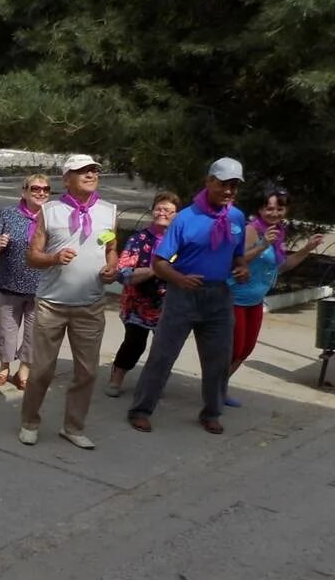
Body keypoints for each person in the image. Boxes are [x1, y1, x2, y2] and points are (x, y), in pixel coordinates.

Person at [127, 158, 252, 435]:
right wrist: (180, 279)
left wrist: (241, 267)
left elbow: (237, 256)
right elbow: (160, 263)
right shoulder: (185, 218)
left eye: (234, 186)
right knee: (162, 356)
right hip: (183, 295)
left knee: (219, 360)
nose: (229, 191)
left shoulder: (237, 218)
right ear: (209, 182)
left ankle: (212, 412)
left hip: (219, 298)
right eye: (223, 184)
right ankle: (141, 409)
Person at [17, 154, 118, 450]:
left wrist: (111, 267)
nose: (90, 175)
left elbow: (111, 248)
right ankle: (29, 422)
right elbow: (32, 256)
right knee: (42, 370)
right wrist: (53, 258)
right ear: (67, 179)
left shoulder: (108, 211)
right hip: (52, 303)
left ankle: (73, 427)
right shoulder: (50, 211)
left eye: (93, 171)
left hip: (91, 304)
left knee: (87, 371)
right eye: (82, 171)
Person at [223, 186, 323, 406]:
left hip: (256, 301)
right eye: (269, 208)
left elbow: (283, 266)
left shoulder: (278, 233)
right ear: (260, 209)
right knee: (235, 349)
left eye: (280, 209)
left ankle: (219, 388)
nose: (274, 213)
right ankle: (213, 390)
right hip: (235, 299)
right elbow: (234, 261)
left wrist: (307, 248)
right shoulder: (251, 230)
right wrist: (263, 245)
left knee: (246, 350)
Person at [105, 192, 180, 397]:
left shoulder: (181, 240)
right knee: (135, 344)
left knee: (164, 349)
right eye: (159, 208)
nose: (162, 213)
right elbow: (123, 274)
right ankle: (117, 377)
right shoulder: (139, 239)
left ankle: (154, 384)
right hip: (137, 304)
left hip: (169, 305)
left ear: (177, 215)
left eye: (168, 210)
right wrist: (156, 270)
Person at [0, 174, 50, 390]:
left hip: (41, 287)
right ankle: (4, 367)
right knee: (6, 330)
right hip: (9, 283)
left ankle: (24, 370)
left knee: (34, 333)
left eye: (45, 189)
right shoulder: (8, 213)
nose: (41, 192)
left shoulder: (52, 216)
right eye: (35, 189)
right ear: (24, 192)